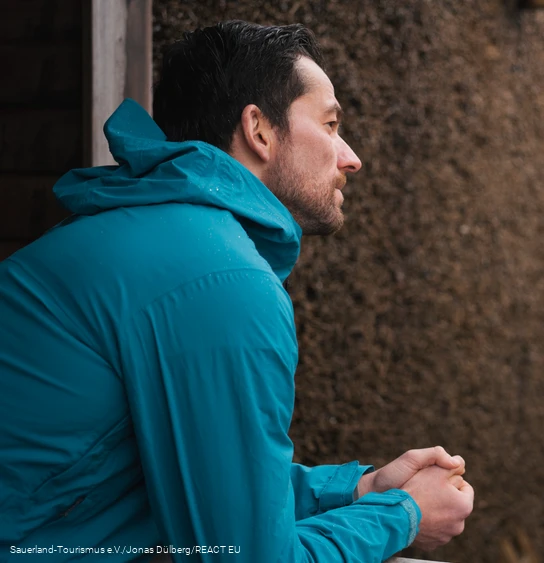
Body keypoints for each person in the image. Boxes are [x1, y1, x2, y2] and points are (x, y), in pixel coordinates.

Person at [0, 21, 473, 562]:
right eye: (331, 124)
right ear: (260, 131)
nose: (352, 158)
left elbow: (202, 490)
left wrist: (360, 491)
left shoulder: (165, 240)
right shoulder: (220, 280)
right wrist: (404, 515)